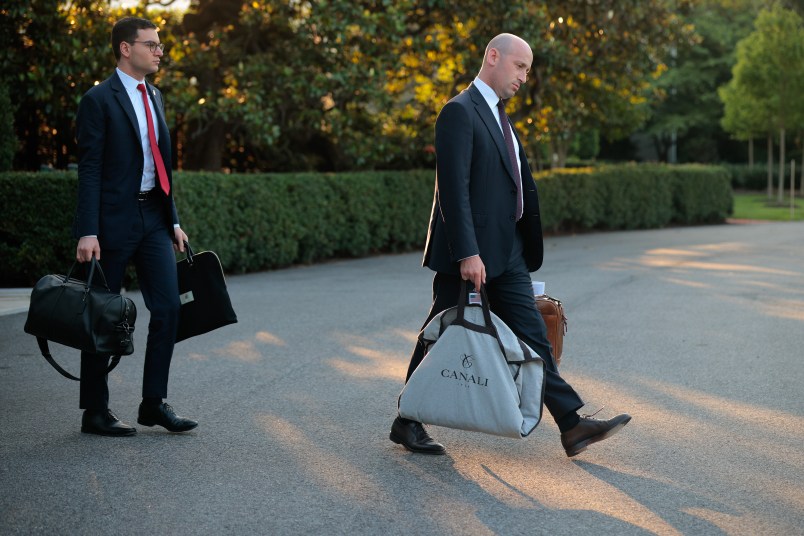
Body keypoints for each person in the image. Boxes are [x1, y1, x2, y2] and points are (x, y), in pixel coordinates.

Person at [389, 33, 631, 457]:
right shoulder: (459, 112)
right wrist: (468, 252)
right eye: (520, 67)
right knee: (441, 336)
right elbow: (453, 190)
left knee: (534, 335)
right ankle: (407, 420)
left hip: (509, 250)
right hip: (470, 255)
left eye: (528, 71)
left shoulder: (500, 117)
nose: (523, 77)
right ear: (493, 57)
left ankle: (572, 424)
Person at [73, 17, 197, 436]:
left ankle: (153, 403)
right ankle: (95, 411)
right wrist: (87, 230)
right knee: (103, 315)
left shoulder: (155, 95)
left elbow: (162, 166)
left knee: (168, 308)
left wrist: (173, 219)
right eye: (151, 44)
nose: (159, 51)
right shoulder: (98, 100)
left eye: (159, 45)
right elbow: (90, 169)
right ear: (126, 49)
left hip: (154, 220)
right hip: (111, 222)